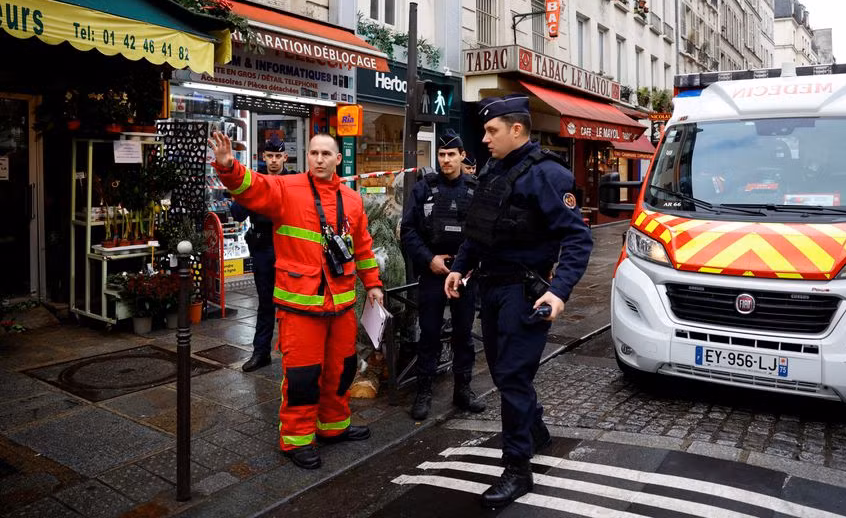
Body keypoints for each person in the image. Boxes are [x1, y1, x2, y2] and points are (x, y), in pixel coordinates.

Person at [443, 94, 593, 509]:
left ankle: (517, 469)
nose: (485, 139)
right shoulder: (494, 168)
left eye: (491, 131)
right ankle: (537, 431)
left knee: (511, 378)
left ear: (516, 129)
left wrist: (558, 290)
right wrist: (459, 267)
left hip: (523, 293)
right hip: (490, 288)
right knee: (504, 372)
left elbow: (578, 238)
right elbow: (478, 229)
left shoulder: (547, 175)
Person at [209, 131, 384, 471]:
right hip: (299, 306)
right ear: (308, 157)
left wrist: (373, 284)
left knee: (341, 371)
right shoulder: (286, 189)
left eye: (326, 154)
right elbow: (253, 187)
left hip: (342, 305)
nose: (319, 159)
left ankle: (333, 426)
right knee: (302, 379)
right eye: (313, 153)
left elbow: (362, 246)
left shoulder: (352, 199)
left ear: (338, 159)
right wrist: (228, 166)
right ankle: (296, 439)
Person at [400, 129, 485, 421]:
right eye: (442, 154)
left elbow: (485, 233)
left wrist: (470, 264)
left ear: (463, 156)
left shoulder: (476, 188)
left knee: (463, 335)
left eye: (452, 154)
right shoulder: (424, 187)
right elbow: (408, 230)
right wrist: (429, 259)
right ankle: (424, 393)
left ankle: (463, 391)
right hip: (434, 273)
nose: (446, 160)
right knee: (430, 335)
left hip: (465, 275)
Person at [230, 136, 289, 372]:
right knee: (265, 302)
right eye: (269, 156)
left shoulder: (294, 181)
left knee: (289, 302)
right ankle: (261, 352)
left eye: (278, 156)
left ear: (285, 157)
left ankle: (292, 352)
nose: (274, 161)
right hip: (263, 245)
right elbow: (237, 213)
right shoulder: (255, 181)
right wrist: (253, 192)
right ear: (263, 157)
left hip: (288, 245)